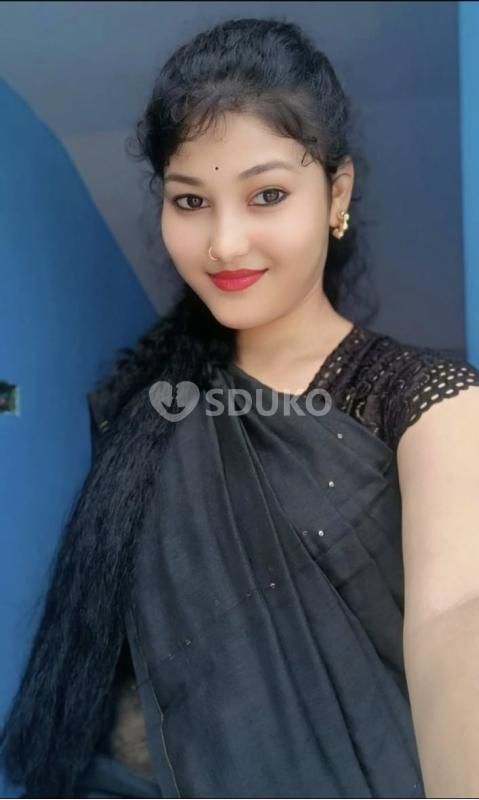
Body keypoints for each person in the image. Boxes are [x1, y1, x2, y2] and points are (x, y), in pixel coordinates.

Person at [2, 15, 479, 800]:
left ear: (336, 193)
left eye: (267, 195)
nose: (224, 243)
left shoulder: (426, 400)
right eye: (190, 200)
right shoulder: (140, 411)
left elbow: (456, 613)